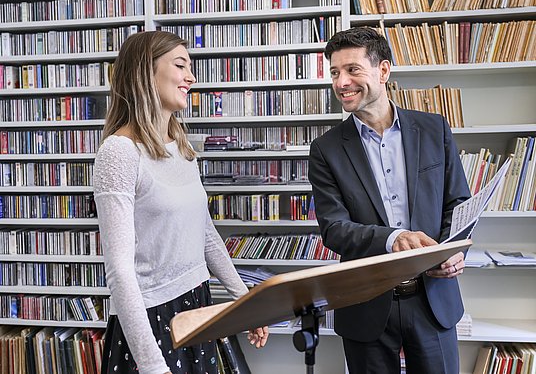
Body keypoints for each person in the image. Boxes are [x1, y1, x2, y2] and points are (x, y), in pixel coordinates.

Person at [93, 31, 268, 374]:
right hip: (150, 318)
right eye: (180, 65)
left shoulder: (182, 149)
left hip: (196, 305)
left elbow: (206, 237)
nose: (191, 76)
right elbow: (120, 271)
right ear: (145, 71)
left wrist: (245, 304)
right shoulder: (119, 152)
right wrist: (151, 363)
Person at [308, 27, 471, 374]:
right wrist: (394, 238)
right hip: (365, 304)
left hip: (433, 300)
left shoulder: (434, 129)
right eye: (335, 72)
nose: (341, 82)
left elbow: (458, 203)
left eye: (353, 69)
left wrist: (454, 251)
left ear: (383, 71)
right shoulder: (325, 149)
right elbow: (334, 229)